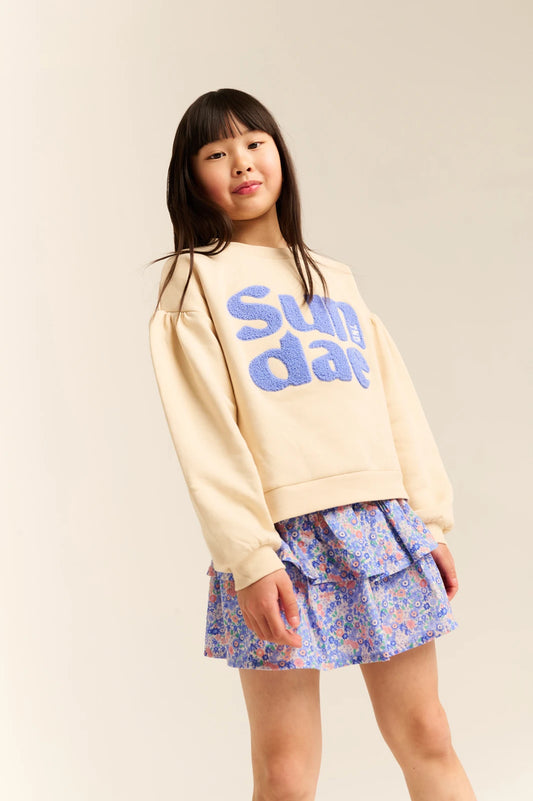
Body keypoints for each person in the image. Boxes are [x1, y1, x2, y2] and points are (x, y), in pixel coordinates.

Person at [147, 88, 477, 801]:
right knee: (285, 769)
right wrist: (250, 556)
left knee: (427, 734)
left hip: (381, 526)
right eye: (216, 153)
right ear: (191, 177)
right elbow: (207, 433)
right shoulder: (194, 280)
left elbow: (394, 403)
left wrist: (428, 522)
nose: (241, 163)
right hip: (279, 541)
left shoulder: (335, 279)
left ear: (279, 154)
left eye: (254, 143)